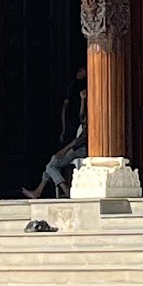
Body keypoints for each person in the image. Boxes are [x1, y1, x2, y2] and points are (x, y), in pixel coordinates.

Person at [23, 66, 87, 199]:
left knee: (52, 163)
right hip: (77, 144)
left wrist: (64, 150)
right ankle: (42, 191)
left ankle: (61, 189)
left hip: (82, 148)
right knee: (52, 164)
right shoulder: (74, 89)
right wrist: (82, 100)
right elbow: (81, 116)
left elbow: (81, 139)